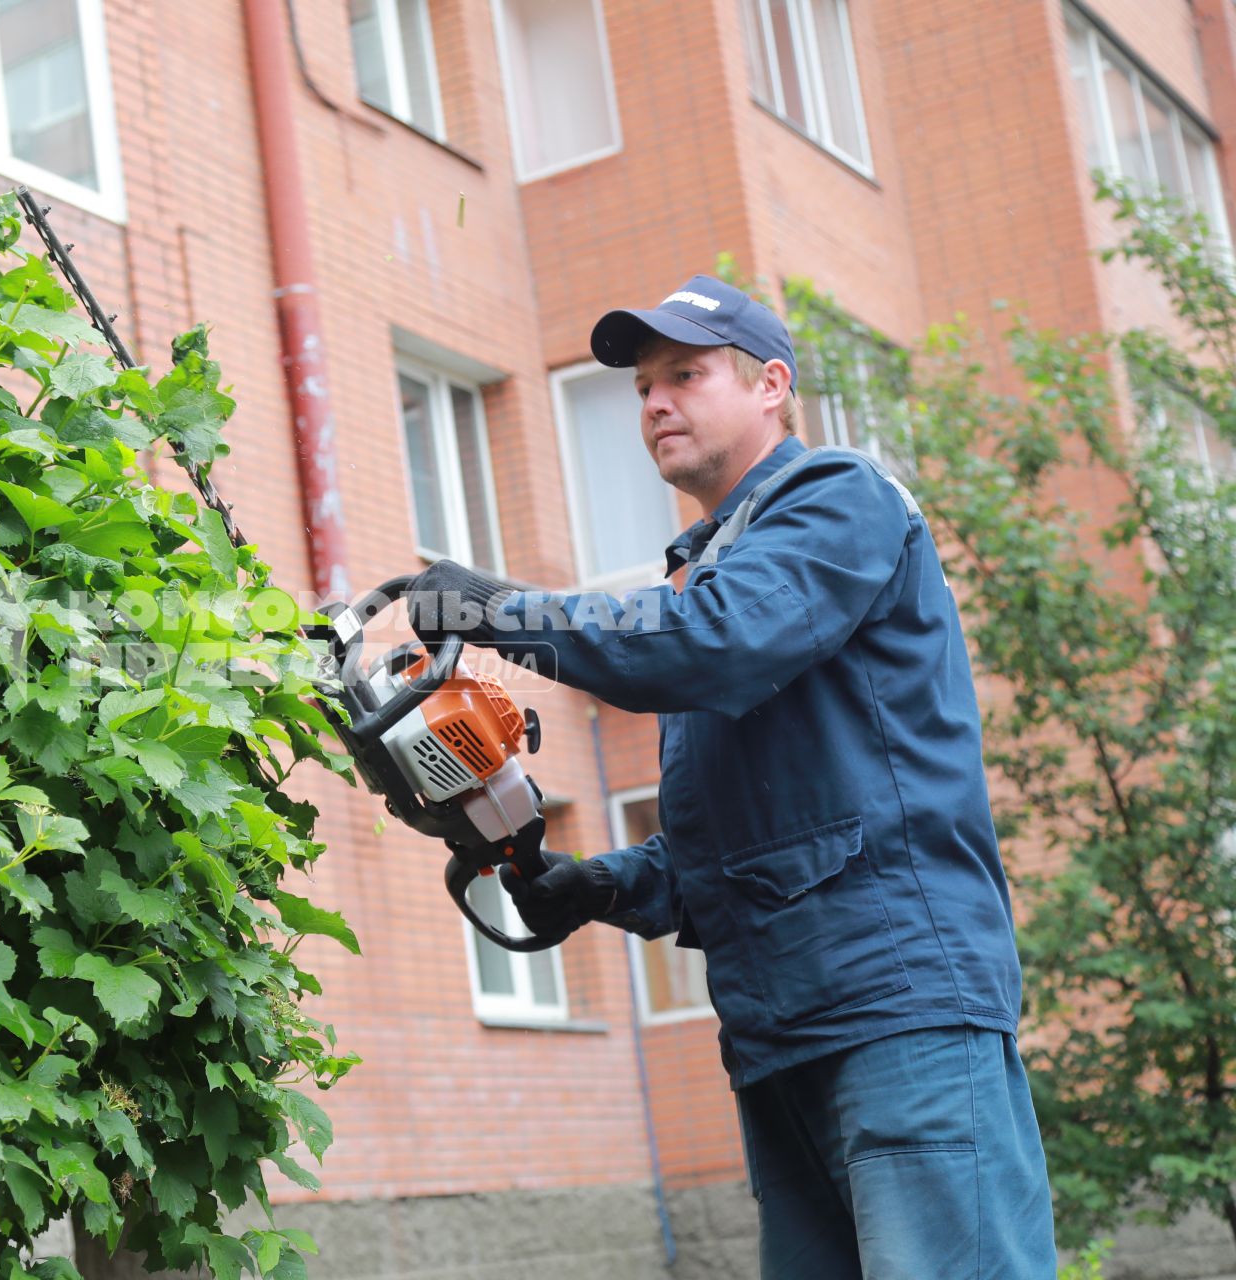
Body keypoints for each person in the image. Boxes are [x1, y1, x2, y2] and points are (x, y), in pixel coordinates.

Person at [406, 275, 1058, 1278]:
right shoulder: (715, 570)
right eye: (640, 388)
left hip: (899, 1014)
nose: (654, 401)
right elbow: (746, 844)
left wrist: (493, 608)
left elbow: (711, 643)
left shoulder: (839, 499)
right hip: (780, 1037)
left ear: (771, 387)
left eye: (685, 375)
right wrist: (602, 883)